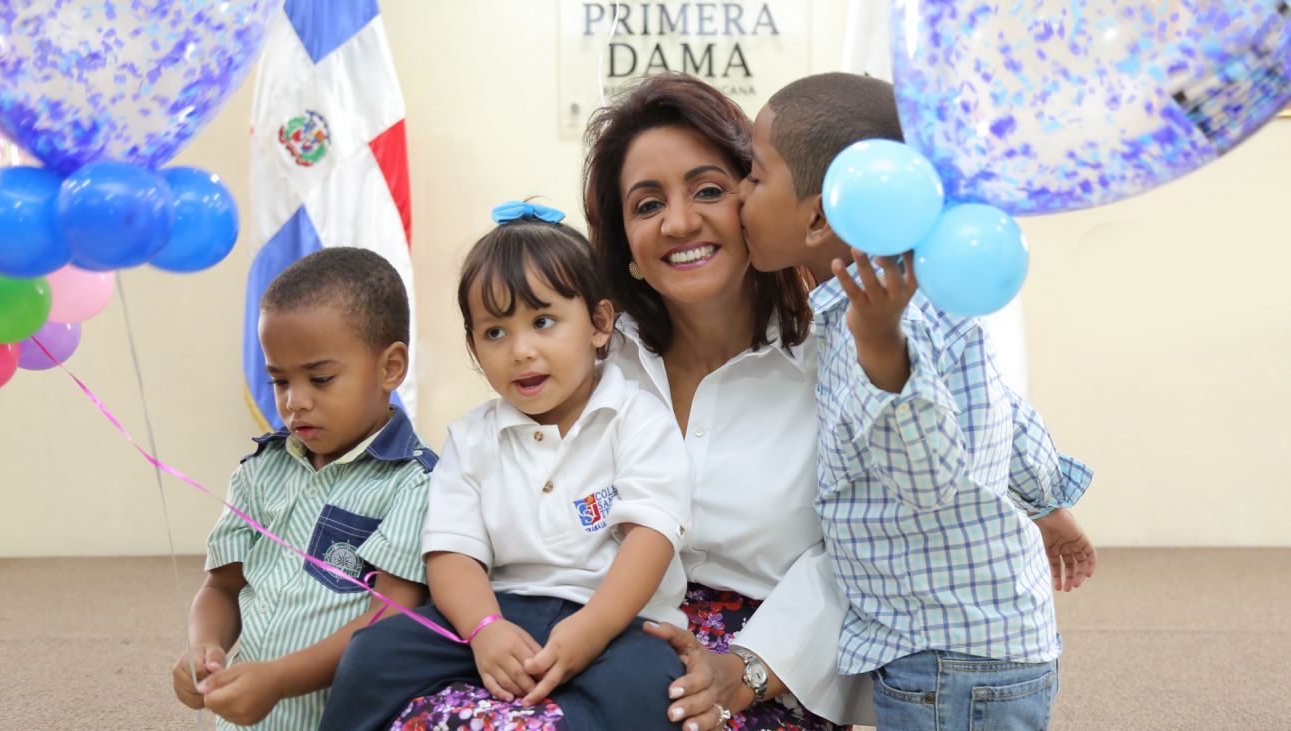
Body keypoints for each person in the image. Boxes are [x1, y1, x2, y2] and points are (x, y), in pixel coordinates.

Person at [738, 71, 1096, 730]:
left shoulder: (870, 325)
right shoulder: (942, 292)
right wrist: (1048, 503)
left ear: (819, 215)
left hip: (944, 658)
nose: (739, 192)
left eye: (755, 176)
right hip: (995, 640)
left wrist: (879, 349)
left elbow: (927, 479)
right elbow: (1004, 410)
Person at [318, 202, 691, 731]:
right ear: (474, 346)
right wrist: (484, 627)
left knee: (652, 688)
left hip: (621, 621)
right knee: (373, 654)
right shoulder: (471, 437)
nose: (521, 350)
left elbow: (650, 538)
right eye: (495, 333)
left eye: (543, 322)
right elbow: (452, 556)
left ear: (599, 324)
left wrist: (592, 628)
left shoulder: (637, 417)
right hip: (504, 607)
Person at [170, 247, 436, 729]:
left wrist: (278, 680)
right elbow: (222, 585)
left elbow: (391, 618)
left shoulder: (414, 482)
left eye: (320, 378)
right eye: (279, 380)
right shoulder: (259, 469)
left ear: (391, 367)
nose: (295, 402)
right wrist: (203, 647)